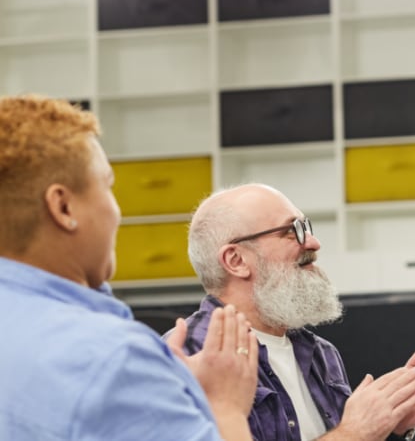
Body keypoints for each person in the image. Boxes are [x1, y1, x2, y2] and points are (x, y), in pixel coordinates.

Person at [0, 94, 259, 440]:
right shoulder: (110, 360)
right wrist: (223, 406)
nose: (116, 210)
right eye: (107, 185)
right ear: (63, 207)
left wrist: (160, 390)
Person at [177, 183, 415, 441]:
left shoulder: (319, 353)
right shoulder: (186, 358)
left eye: (307, 228)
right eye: (292, 232)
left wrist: (390, 427)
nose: (313, 243)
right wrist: (354, 433)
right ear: (236, 259)